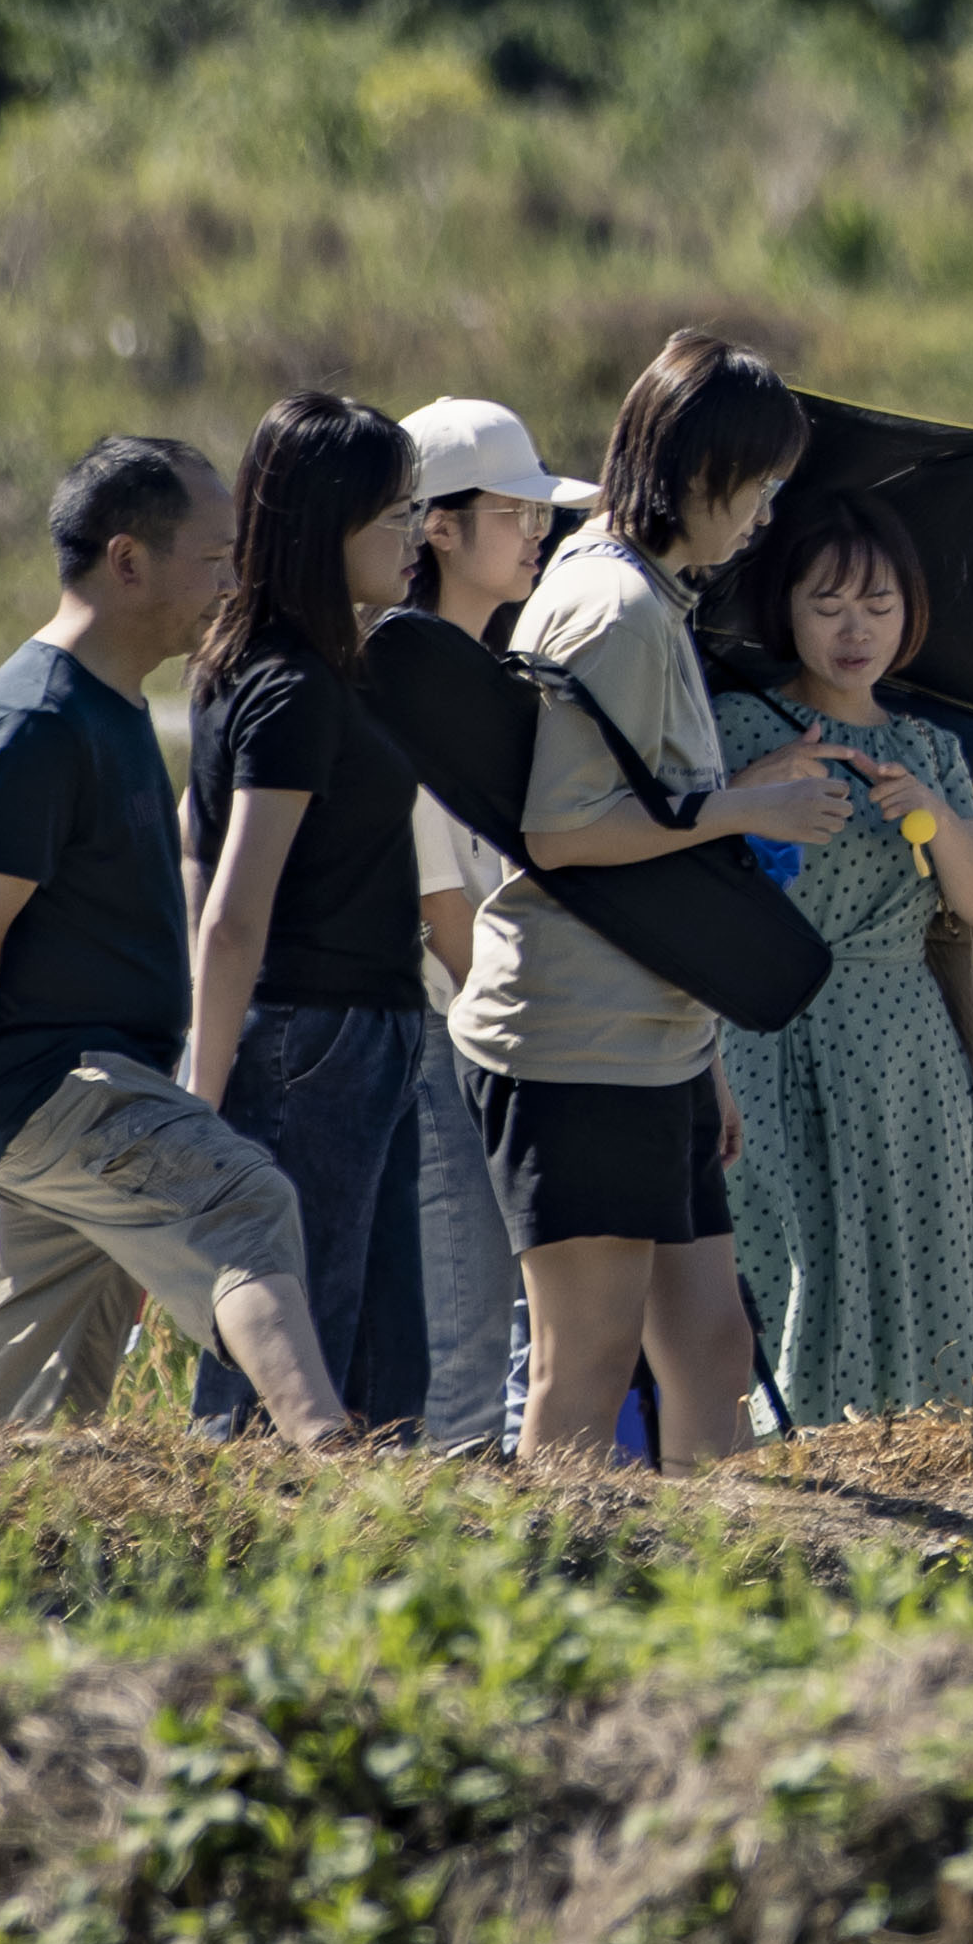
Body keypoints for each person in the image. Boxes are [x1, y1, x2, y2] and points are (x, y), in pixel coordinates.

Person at [0, 436, 357, 1441]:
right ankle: (339, 1465)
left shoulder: (107, 705)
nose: (232, 583)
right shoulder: (39, 719)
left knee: (21, 1422)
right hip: (65, 1093)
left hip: (84, 1091)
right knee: (244, 1199)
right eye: (214, 558)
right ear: (128, 560)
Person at [460, 334, 899, 1469]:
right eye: (755, 491)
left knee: (710, 1343)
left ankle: (726, 1568)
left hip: (650, 1038)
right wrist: (741, 813)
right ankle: (556, 1588)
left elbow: (638, 799)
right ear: (702, 475)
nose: (760, 519)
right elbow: (558, 830)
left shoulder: (645, 590)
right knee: (588, 1356)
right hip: (573, 1038)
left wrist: (700, 1051)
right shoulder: (612, 604)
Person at [706, 484, 973, 1422]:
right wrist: (761, 786)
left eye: (879, 607)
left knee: (920, 1242)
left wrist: (925, 814)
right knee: (790, 1245)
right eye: (828, 604)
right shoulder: (742, 725)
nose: (856, 631)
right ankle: (790, 1449)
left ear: (910, 614)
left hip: (902, 1046)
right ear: (785, 608)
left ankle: (930, 1438)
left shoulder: (926, 744)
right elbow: (697, 864)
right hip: (771, 1033)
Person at [175, 392, 439, 1440]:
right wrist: (204, 1085)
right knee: (298, 1333)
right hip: (310, 1034)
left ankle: (368, 1552)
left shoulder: (285, 665)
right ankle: (255, 1535)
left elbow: (188, 846)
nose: (415, 536)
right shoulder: (290, 685)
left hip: (360, 1023)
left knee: (376, 1342)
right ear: (324, 528)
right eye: (393, 516)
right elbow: (232, 906)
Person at [377, 391, 588, 1458]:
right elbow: (441, 907)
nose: (538, 535)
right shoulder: (401, 677)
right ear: (437, 527)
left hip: (482, 1035)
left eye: (541, 515)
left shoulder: (496, 670)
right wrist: (527, 1043)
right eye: (515, 513)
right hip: (445, 1038)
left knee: (488, 1331)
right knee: (464, 1342)